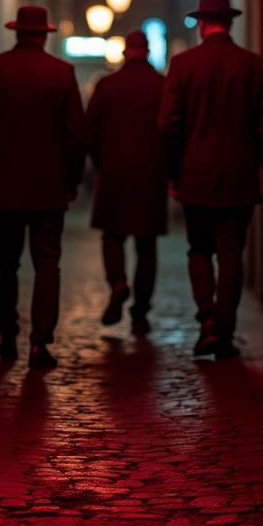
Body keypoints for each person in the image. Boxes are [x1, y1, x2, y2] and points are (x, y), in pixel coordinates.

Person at [159, 0, 263, 359]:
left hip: (194, 177)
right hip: (239, 179)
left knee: (199, 249)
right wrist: (250, 159)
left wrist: (175, 170)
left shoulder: (183, 65)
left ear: (201, 25)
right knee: (231, 252)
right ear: (229, 23)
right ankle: (225, 332)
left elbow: (167, 126)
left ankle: (207, 320)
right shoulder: (253, 65)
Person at [0, 5, 86, 369]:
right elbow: (76, 137)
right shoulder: (62, 73)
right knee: (48, 262)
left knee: (5, 262)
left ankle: (6, 336)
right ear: (45, 34)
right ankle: (39, 342)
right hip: (50, 187)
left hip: (5, 185)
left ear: (17, 31)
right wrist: (71, 180)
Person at [86, 30, 169, 336]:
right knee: (147, 246)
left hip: (114, 172)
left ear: (124, 53)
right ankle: (141, 309)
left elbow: (89, 131)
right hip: (152, 174)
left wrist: (101, 164)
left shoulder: (107, 86)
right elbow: (173, 130)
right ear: (147, 52)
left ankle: (119, 282)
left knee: (112, 236)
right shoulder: (163, 85)